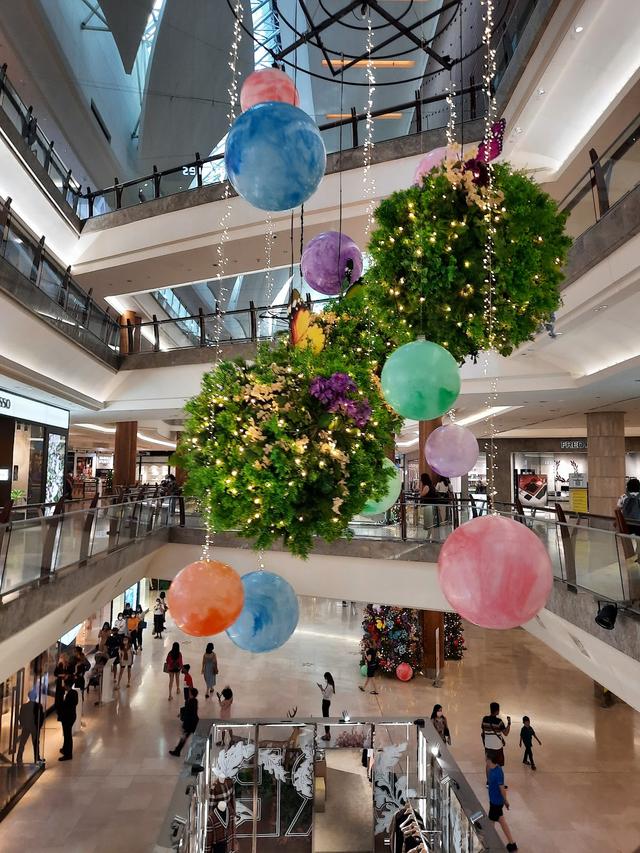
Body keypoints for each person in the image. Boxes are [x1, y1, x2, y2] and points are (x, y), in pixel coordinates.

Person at [486, 755, 518, 851]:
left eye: (486, 759)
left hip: (496, 802)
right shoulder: (495, 769)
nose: (485, 760)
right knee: (500, 820)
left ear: (490, 760)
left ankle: (489, 843)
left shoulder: (497, 772)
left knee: (491, 822)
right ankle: (512, 844)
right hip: (494, 801)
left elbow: (502, 788)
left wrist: (505, 800)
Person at [482, 702, 511, 778]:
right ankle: (499, 782)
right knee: (499, 765)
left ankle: (488, 782)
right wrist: (509, 723)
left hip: (488, 746)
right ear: (497, 711)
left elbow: (483, 733)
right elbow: (506, 733)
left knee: (488, 764)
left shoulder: (484, 719)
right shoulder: (499, 722)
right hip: (497, 747)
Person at [169, 688, 199, 757]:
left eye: (189, 692)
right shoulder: (194, 700)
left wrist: (183, 715)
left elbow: (188, 711)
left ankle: (177, 751)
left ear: (191, 693)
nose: (188, 692)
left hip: (190, 724)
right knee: (186, 737)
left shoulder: (191, 701)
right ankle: (177, 751)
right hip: (194, 722)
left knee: (184, 738)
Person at [16, 693, 44, 764]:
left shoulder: (24, 706)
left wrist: (22, 725)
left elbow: (20, 717)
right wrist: (39, 726)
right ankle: (37, 758)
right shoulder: (39, 706)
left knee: (22, 743)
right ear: (36, 697)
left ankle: (19, 758)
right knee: (36, 743)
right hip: (34, 727)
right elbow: (41, 718)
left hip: (26, 727)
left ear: (28, 696)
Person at [59, 679, 78, 761]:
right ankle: (65, 749)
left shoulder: (69, 695)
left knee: (67, 735)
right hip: (72, 716)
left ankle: (68, 754)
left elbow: (65, 706)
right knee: (67, 734)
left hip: (68, 717)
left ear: (67, 685)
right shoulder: (74, 693)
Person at [317, 672, 335, 741]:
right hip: (327, 702)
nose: (325, 679)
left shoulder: (330, 686)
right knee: (326, 717)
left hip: (326, 702)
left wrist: (321, 688)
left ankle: (327, 735)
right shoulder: (330, 685)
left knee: (325, 719)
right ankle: (328, 733)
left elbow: (325, 695)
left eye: (325, 678)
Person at [419, 472, 435, 537]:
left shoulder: (426, 487)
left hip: (428, 506)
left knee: (428, 521)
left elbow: (422, 494)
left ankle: (428, 536)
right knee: (430, 521)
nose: (420, 480)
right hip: (431, 505)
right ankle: (429, 535)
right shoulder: (431, 486)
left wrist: (420, 486)